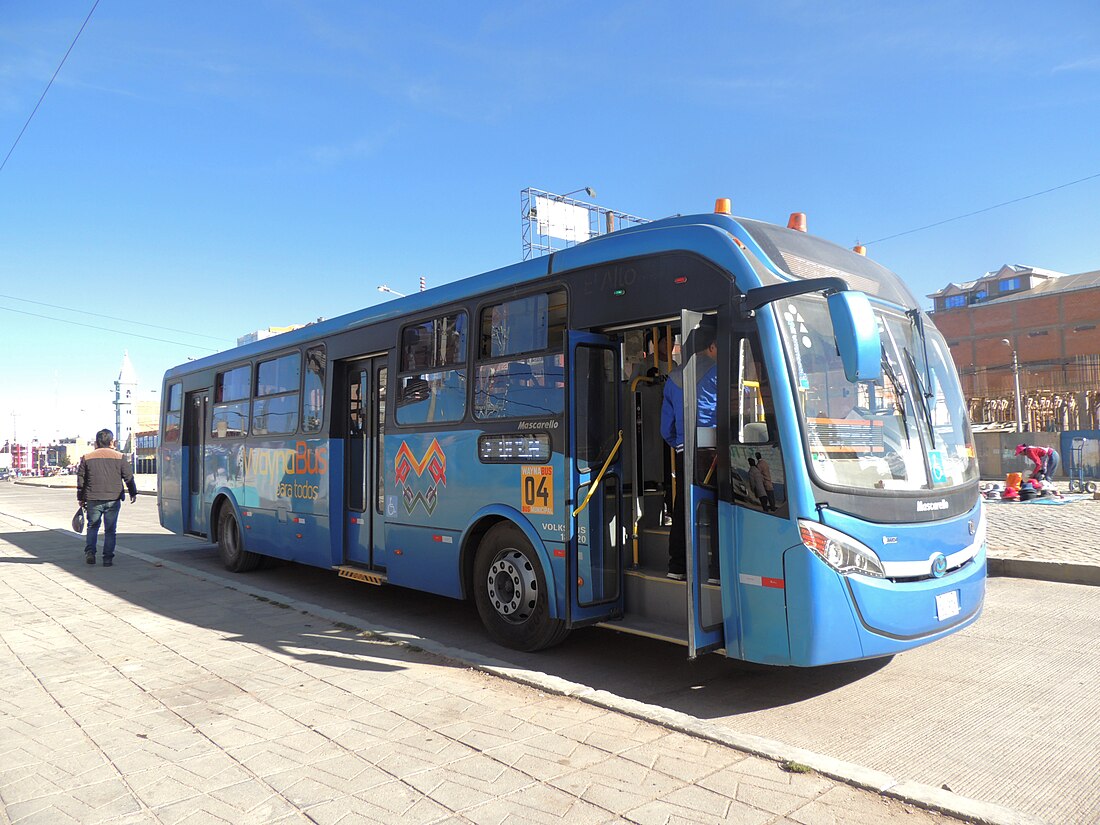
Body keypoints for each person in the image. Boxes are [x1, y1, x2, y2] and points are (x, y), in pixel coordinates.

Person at [660, 326, 717, 580]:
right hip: (713, 448)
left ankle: (677, 566)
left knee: (683, 506)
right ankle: (716, 569)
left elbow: (665, 428)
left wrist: (679, 443)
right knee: (717, 507)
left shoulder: (673, 378)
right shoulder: (720, 371)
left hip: (686, 451)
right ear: (711, 347)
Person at [76, 429, 138, 567]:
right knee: (110, 530)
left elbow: (81, 480)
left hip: (93, 498)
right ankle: (107, 558)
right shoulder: (120, 457)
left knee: (92, 526)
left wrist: (80, 497)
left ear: (96, 442)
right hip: (113, 498)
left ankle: (90, 552)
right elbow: (128, 477)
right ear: (111, 442)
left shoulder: (87, 457)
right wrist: (133, 492)